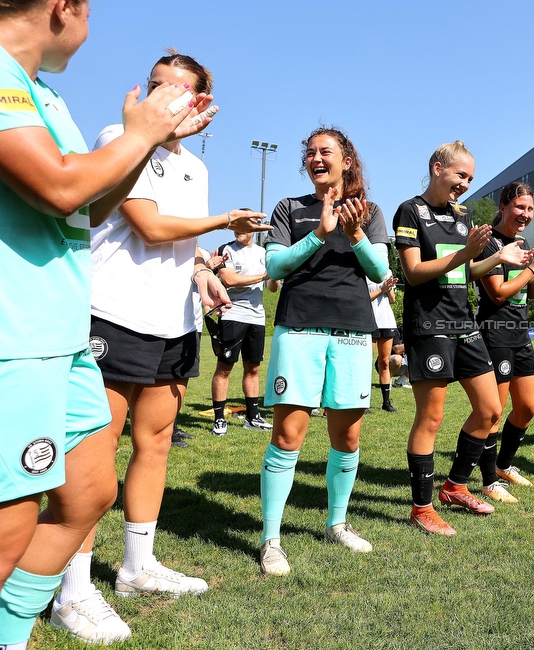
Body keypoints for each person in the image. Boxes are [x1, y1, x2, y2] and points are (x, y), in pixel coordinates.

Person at [0, 2, 216, 641]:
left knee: (90, 490)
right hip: (19, 331)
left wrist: (136, 143)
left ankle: (13, 629)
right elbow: (62, 187)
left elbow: (86, 211)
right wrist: (141, 137)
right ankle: (44, 612)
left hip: (59, 334)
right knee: (13, 516)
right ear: (65, 7)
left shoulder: (45, 94)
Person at [54, 50, 271, 641]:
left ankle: (135, 567)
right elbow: (146, 224)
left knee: (154, 444)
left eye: (180, 90)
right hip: (114, 314)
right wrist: (223, 221)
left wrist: (201, 269)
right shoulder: (120, 136)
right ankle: (71, 590)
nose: (165, 97)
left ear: (202, 103)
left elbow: (173, 241)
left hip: (174, 323)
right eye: (157, 86)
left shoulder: (195, 169)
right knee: (93, 457)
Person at [257, 127, 390, 575]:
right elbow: (272, 266)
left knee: (347, 437)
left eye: (326, 152)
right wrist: (318, 234)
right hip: (298, 329)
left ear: (346, 160)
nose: (316, 158)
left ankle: (337, 523)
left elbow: (380, 271)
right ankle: (270, 540)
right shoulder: (289, 209)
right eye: (310, 152)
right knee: (287, 436)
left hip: (352, 331)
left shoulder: (369, 212)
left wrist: (354, 234)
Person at [393, 141, 532, 535]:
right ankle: (421, 508)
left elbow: (465, 273)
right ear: (438, 168)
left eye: (470, 178)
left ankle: (454, 486)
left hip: (464, 322)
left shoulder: (462, 214)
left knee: (490, 410)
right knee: (431, 418)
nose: (465, 185)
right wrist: (464, 254)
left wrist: (497, 259)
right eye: (460, 176)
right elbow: (414, 273)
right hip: (429, 324)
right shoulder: (411, 210)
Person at [475, 182, 534, 503]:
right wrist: (532, 266)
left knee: (527, 407)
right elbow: (498, 292)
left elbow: (531, 291)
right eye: (519, 207)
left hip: (520, 334)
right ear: (503, 206)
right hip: (494, 333)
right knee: (492, 413)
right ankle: (488, 481)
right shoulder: (490, 243)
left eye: (529, 209)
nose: (525, 214)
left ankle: (503, 465)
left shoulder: (522, 242)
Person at [210, 222, 280, 436]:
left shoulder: (264, 252)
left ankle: (252, 417)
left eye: (244, 227)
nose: (239, 231)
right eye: (236, 227)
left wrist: (275, 273)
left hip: (257, 317)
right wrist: (263, 276)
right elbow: (230, 280)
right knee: (225, 367)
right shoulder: (226, 250)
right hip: (233, 314)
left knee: (253, 369)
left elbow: (272, 287)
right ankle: (219, 419)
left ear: (254, 229)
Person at [368, 273, 399, 412]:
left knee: (384, 362)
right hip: (369, 321)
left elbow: (392, 300)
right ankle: (364, 401)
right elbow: (364, 299)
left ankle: (386, 402)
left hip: (386, 321)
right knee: (366, 363)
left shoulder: (387, 271)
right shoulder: (364, 270)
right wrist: (381, 289)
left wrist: (389, 287)